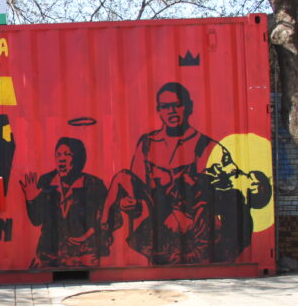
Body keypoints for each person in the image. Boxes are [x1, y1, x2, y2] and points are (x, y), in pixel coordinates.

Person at [100, 82, 271, 265]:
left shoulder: (207, 146)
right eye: (165, 106)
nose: (171, 111)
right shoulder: (147, 143)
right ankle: (103, 230)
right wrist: (129, 203)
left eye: (177, 105)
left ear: (188, 107)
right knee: (122, 177)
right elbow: (138, 187)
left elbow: (227, 185)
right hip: (156, 217)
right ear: (159, 110)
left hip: (190, 226)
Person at [20, 137, 107, 267]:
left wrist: (87, 235)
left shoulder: (93, 184)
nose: (61, 158)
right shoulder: (46, 181)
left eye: (67, 154)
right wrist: (31, 199)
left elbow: (107, 220)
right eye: (58, 154)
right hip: (49, 256)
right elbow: (37, 220)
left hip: (83, 256)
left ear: (78, 158)